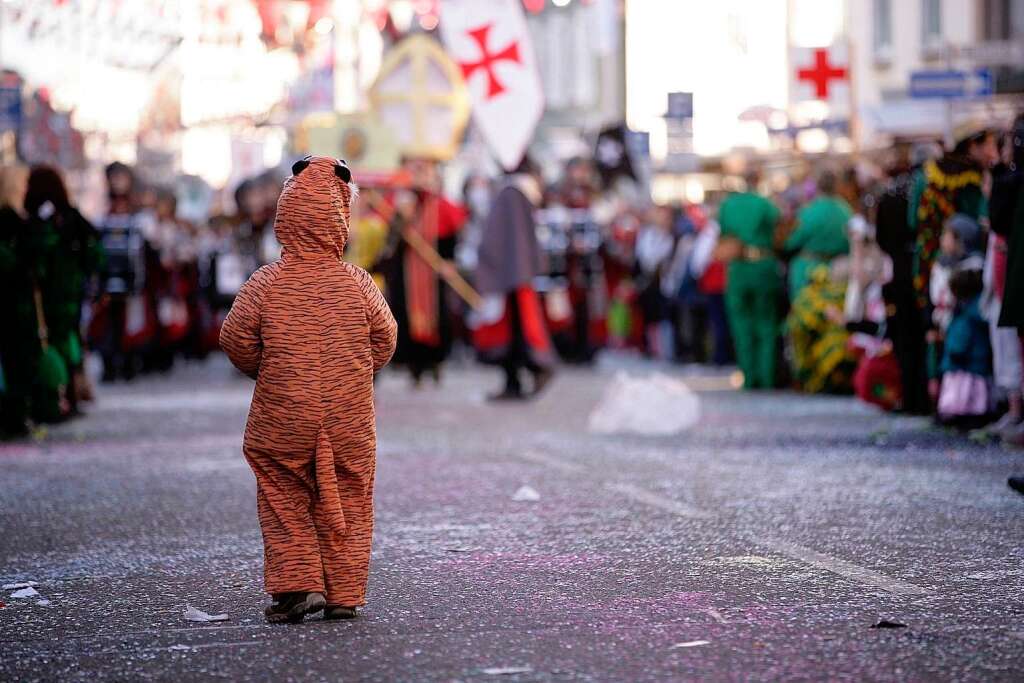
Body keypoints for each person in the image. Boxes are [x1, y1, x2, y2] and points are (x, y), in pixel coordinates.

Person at [219, 157, 397, 623]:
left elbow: (234, 338)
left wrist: (269, 370)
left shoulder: (266, 282)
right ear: (340, 219)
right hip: (349, 414)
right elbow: (386, 337)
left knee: (283, 488)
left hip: (283, 411)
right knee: (349, 493)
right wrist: (356, 370)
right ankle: (344, 591)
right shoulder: (358, 283)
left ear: (286, 215)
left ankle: (298, 586)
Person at [23, 166, 104, 417]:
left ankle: (55, 400)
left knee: (52, 343)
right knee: (70, 344)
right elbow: (95, 253)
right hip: (71, 294)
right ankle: (68, 396)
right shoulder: (72, 216)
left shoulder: (40, 218)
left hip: (48, 295)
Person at [378, 157, 466, 385]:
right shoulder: (401, 204)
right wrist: (401, 219)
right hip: (407, 272)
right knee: (406, 317)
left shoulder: (440, 206)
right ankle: (414, 368)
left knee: (437, 317)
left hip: (433, 272)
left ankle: (435, 364)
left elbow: (450, 237)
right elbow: (391, 242)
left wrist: (450, 261)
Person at [473, 157, 556, 400]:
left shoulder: (511, 194)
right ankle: (514, 383)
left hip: (511, 276)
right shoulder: (514, 194)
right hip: (512, 275)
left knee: (519, 332)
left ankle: (535, 370)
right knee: (510, 335)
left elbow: (507, 240)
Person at [719, 169, 782, 390]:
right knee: (766, 324)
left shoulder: (728, 205)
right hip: (763, 266)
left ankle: (749, 375)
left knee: (741, 325)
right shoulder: (765, 204)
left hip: (738, 269)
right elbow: (779, 229)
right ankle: (767, 377)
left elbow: (724, 231)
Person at [0, 164, 36, 436]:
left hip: (18, 300)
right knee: (15, 358)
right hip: (12, 302)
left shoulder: (18, 219)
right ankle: (13, 415)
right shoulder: (10, 221)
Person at [783, 170, 852, 298]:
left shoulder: (809, 211)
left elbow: (791, 242)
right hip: (838, 271)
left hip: (808, 272)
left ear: (818, 186)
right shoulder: (846, 210)